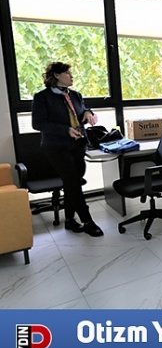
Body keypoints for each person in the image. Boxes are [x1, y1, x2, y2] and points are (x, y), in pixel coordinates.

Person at [31, 61, 103, 237]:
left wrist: (88, 113)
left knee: (73, 183)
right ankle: (87, 220)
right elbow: (38, 124)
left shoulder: (75, 95)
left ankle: (70, 220)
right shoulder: (42, 97)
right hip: (56, 147)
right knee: (73, 182)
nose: (71, 76)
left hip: (78, 145)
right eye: (68, 73)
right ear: (56, 75)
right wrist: (65, 130)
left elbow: (82, 110)